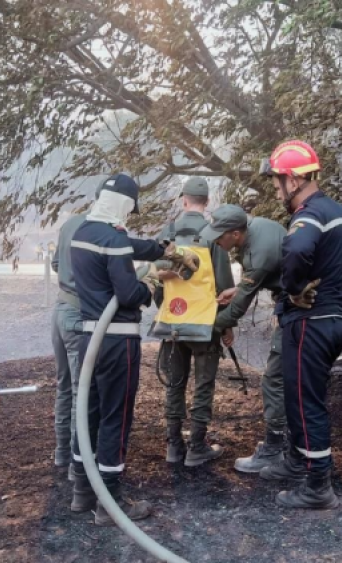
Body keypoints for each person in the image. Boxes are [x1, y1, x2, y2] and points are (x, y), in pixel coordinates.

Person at [68, 174, 199, 526]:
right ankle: (110, 503)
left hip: (89, 340)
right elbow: (127, 294)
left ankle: (82, 493)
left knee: (89, 413)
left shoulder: (84, 234)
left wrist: (162, 249)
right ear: (125, 205)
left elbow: (128, 246)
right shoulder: (114, 239)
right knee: (116, 417)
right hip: (117, 341)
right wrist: (154, 282)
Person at [260, 140, 342, 509]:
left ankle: (318, 485)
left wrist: (292, 290)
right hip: (334, 318)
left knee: (306, 403)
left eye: (276, 181)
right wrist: (338, 295)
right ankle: (296, 460)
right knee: (301, 397)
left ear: (293, 179)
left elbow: (297, 250)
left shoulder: (308, 214)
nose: (275, 189)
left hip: (310, 323)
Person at [199, 204, 289, 474]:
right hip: (300, 307)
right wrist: (236, 288)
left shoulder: (258, 254)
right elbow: (257, 281)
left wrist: (206, 326)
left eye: (220, 235)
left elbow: (238, 308)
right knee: (291, 380)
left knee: (274, 379)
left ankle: (275, 449)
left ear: (236, 234)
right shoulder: (259, 226)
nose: (216, 240)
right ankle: (292, 445)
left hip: (299, 311)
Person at [155, 178, 234, 466]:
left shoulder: (169, 232)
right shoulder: (214, 234)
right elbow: (225, 286)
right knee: (203, 385)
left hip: (173, 324)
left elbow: (157, 281)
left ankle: (174, 447)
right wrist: (227, 326)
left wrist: (165, 309)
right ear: (207, 202)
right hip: (205, 324)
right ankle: (197, 447)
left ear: (183, 200)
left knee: (174, 384)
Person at [50, 213, 88, 472]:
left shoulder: (70, 223)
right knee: (79, 390)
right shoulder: (101, 227)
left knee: (64, 386)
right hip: (78, 312)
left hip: (60, 309)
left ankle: (62, 453)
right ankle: (78, 462)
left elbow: (55, 263)